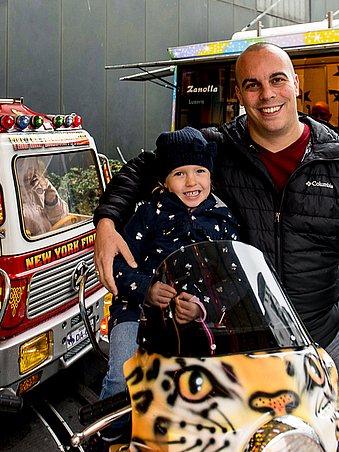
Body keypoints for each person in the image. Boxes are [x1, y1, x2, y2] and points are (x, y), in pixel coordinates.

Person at [93, 43, 339, 451]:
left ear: (295, 84)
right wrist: (107, 222)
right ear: (240, 96)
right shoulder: (217, 149)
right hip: (238, 338)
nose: (267, 94)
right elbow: (146, 165)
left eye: (276, 80)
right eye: (252, 85)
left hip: (328, 331)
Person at [98, 126, 239, 446]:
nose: (192, 182)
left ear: (211, 176)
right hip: (136, 312)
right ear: (163, 180)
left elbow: (235, 279)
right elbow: (117, 266)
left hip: (195, 319)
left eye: (200, 171)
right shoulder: (147, 215)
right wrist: (146, 287)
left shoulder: (223, 220)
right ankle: (106, 435)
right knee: (124, 377)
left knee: (206, 385)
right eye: (180, 173)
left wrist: (204, 304)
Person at [16, 157, 69, 236]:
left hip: (50, 240)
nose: (27, 173)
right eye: (21, 169)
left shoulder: (42, 183)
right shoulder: (11, 192)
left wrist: (52, 203)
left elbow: (62, 219)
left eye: (30, 168)